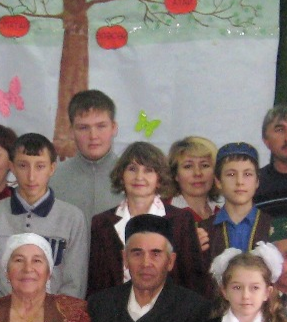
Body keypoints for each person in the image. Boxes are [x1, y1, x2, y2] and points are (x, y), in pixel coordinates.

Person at [0, 133, 90, 301]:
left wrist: (56, 314)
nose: (31, 176)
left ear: (52, 168)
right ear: (12, 167)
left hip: (55, 313)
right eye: (23, 166)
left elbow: (74, 284)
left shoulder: (72, 218)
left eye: (40, 166)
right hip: (2, 312)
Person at [87, 142, 209, 297]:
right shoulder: (101, 223)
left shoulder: (181, 221)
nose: (139, 177)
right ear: (121, 176)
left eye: (148, 170)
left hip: (169, 309)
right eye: (132, 169)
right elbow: (96, 283)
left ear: (159, 178)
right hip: (114, 309)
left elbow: (193, 281)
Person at [50, 90, 122, 219]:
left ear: (114, 128)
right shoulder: (51, 178)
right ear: (71, 131)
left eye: (101, 126)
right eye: (83, 128)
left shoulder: (134, 178)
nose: (93, 136)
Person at [208, 143, 272, 260]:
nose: (240, 182)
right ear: (218, 181)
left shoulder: (272, 227)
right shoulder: (204, 230)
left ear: (257, 181)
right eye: (231, 174)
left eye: (247, 174)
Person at [167, 136, 222, 225]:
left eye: (205, 165)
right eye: (188, 166)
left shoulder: (222, 214)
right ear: (175, 174)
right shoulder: (162, 213)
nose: (197, 173)